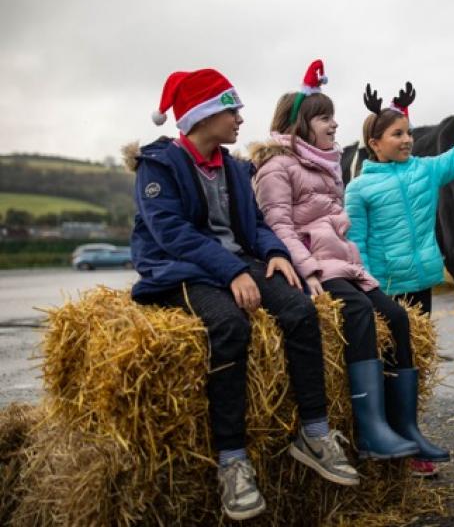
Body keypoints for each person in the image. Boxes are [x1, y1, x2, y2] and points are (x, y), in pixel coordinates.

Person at [130, 68, 358, 522]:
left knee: (298, 307)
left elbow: (254, 224)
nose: (239, 117)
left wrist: (275, 254)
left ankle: (313, 434)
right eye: (231, 109)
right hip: (181, 270)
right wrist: (233, 271)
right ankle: (232, 461)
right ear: (203, 114)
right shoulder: (158, 166)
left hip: (237, 262)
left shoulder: (234, 168)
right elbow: (171, 233)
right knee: (231, 326)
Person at [251, 60, 449, 478]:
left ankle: (406, 427)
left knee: (396, 316)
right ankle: (371, 429)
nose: (335, 124)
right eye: (325, 117)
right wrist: (307, 272)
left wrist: (358, 268)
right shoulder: (276, 168)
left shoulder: (325, 165)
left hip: (343, 264)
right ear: (300, 125)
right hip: (317, 268)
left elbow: (339, 228)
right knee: (358, 315)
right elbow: (279, 226)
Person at [345, 80, 454, 316]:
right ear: (375, 143)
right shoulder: (358, 189)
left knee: (417, 351)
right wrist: (369, 292)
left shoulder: (426, 171)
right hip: (383, 291)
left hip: (421, 285)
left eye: (408, 132)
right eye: (397, 134)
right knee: (389, 352)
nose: (408, 139)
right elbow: (356, 245)